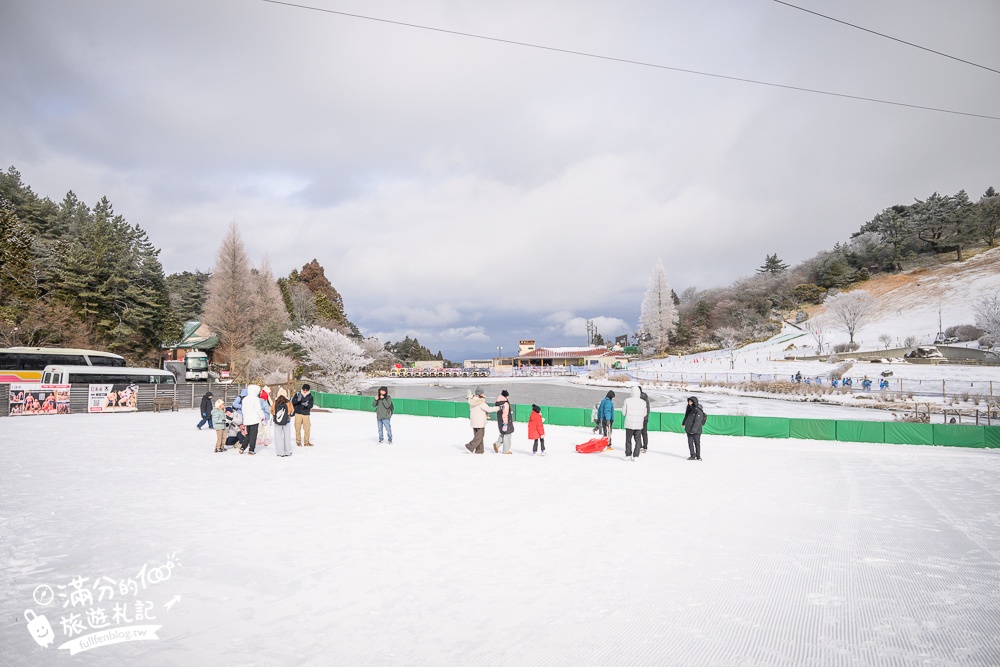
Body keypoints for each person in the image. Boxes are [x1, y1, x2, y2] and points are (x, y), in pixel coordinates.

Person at [465, 386, 500, 454]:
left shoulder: (472, 400)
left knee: (478, 436)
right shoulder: (480, 402)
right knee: (479, 436)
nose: (484, 394)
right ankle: (470, 447)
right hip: (480, 422)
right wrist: (499, 408)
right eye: (482, 393)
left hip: (474, 421)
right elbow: (489, 409)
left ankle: (480, 450)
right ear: (480, 394)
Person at [622, 386, 649, 460]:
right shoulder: (643, 402)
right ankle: (636, 455)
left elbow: (623, 413)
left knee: (628, 440)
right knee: (638, 440)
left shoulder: (627, 400)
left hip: (629, 424)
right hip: (639, 424)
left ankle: (628, 455)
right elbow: (645, 414)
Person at [240, 384, 265, 456]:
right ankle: (251, 450)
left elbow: (243, 410)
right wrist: (262, 417)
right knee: (253, 436)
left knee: (248, 435)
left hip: (247, 420)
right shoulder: (255, 399)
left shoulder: (245, 399)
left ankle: (243, 447)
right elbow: (258, 409)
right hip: (254, 419)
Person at [682, 396, 708, 461]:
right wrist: (683, 423)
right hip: (689, 430)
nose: (689, 403)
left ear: (694, 402)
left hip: (696, 431)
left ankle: (698, 456)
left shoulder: (698, 411)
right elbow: (686, 416)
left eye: (691, 401)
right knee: (690, 443)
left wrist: (693, 430)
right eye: (689, 401)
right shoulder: (689, 409)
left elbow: (697, 422)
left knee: (697, 443)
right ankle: (692, 455)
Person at [272, 388, 294, 457]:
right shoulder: (288, 402)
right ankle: (288, 451)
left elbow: (272, 411)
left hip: (277, 422)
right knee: (287, 436)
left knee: (278, 436)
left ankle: (280, 452)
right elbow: (292, 411)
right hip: (286, 421)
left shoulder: (275, 402)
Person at [494, 390, 514, 455]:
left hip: (500, 420)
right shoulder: (505, 403)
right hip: (505, 421)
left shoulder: (498, 402)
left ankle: (497, 444)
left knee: (503, 433)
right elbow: (505, 414)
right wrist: (505, 422)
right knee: (507, 435)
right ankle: (506, 450)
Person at [638, 385, 651, 453]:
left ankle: (641, 446)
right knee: (644, 432)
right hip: (645, 418)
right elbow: (648, 409)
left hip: (641, 418)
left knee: (639, 432)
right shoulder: (646, 398)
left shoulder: (640, 398)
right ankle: (644, 446)